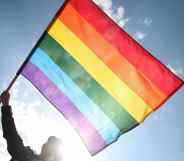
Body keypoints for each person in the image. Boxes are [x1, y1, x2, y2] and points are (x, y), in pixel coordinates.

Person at [0, 91, 62, 161]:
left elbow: (14, 141)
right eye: (49, 141)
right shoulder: (30, 155)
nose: (47, 143)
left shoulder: (30, 157)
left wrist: (5, 106)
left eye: (51, 144)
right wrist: (5, 106)